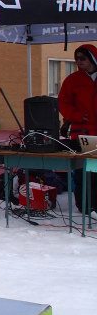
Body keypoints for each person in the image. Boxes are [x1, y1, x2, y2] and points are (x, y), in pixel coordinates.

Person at [58, 44, 97, 212]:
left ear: (93, 58)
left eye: (83, 58)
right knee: (84, 172)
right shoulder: (72, 80)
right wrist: (77, 116)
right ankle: (85, 206)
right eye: (77, 59)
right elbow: (63, 103)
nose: (79, 62)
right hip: (84, 134)